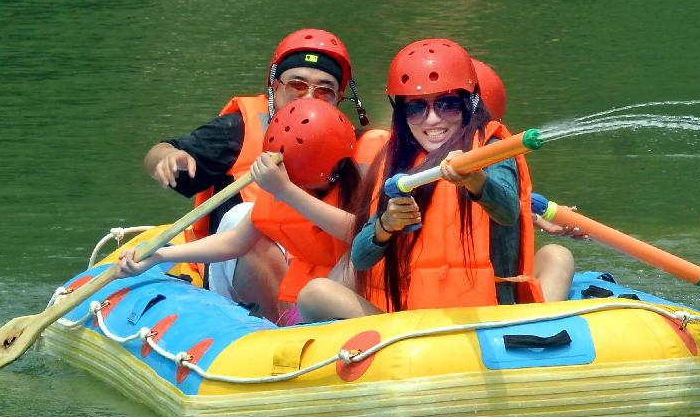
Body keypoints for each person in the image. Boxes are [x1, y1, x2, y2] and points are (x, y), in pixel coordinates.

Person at [297, 39, 557, 322]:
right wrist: (386, 226)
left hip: (489, 318)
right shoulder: (395, 159)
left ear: (468, 104)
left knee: (558, 256)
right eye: (416, 108)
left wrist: (474, 180)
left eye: (447, 105)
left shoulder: (491, 148)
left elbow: (507, 211)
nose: (432, 120)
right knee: (315, 293)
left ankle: (539, 337)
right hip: (411, 324)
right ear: (402, 114)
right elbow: (360, 259)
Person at [142, 28, 369, 314]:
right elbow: (156, 154)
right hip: (241, 268)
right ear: (275, 87)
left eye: (323, 90)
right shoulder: (238, 130)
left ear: (337, 98)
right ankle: (279, 325)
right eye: (297, 86)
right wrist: (168, 157)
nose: (309, 98)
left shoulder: (352, 147)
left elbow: (365, 232)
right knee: (242, 215)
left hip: (317, 279)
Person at [119, 99, 361, 325]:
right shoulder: (284, 183)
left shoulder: (367, 177)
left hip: (358, 304)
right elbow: (235, 241)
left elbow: (358, 232)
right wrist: (160, 255)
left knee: (328, 281)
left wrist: (287, 190)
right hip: (310, 308)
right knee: (310, 293)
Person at [472, 57, 577, 301]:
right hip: (449, 298)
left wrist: (538, 217)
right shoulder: (413, 168)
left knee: (557, 255)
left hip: (499, 287)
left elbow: (510, 200)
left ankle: (537, 330)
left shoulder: (495, 157)